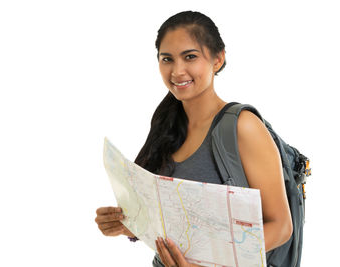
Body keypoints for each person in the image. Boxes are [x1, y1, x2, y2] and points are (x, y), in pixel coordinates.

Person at [95, 10, 293, 267]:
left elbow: (281, 226)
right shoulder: (167, 124)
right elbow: (172, 220)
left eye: (190, 57)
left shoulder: (242, 127)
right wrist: (129, 225)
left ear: (218, 59)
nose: (177, 71)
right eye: (167, 59)